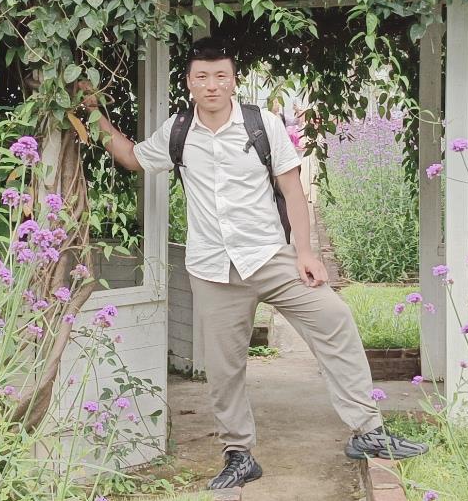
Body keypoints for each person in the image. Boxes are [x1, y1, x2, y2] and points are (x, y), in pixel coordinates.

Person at [78, 42, 428, 491]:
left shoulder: (262, 124)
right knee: (224, 368)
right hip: (213, 269)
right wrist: (93, 111)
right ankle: (239, 454)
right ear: (189, 83)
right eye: (202, 77)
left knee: (335, 319)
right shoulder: (178, 131)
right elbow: (131, 157)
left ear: (233, 80)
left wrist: (304, 252)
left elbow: (292, 189)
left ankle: (368, 431)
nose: (212, 85)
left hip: (270, 257)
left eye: (220, 76)